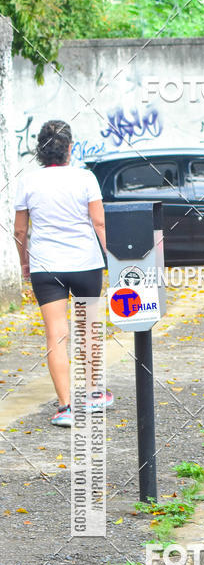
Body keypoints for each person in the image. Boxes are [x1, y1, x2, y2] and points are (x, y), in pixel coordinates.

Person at [13, 120, 111, 427]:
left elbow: (20, 229)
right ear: (69, 148)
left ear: (39, 151)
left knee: (56, 335)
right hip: (85, 263)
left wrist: (24, 263)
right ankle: (94, 394)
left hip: (46, 266)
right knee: (88, 328)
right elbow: (99, 224)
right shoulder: (86, 178)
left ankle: (66, 407)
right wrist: (112, 258)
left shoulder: (28, 181)